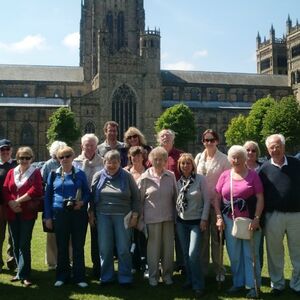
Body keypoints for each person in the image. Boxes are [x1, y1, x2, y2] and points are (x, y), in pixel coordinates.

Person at [214, 145, 264, 299]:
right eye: (233, 157)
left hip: (249, 221)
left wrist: (256, 219)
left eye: (239, 157)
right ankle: (238, 283)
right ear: (229, 159)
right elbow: (216, 198)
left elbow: (260, 199)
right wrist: (218, 217)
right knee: (234, 254)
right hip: (229, 221)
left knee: (250, 254)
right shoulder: (224, 175)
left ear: (244, 158)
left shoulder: (253, 175)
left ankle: (253, 285)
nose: (236, 160)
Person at [90, 150, 140, 286]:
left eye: (115, 162)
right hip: (103, 216)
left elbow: (136, 197)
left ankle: (125, 277)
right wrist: (91, 214)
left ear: (119, 162)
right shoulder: (98, 176)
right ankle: (107, 277)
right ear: (104, 162)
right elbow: (92, 198)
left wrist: (135, 215)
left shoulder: (127, 176)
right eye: (108, 162)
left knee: (123, 248)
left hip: (123, 216)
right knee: (105, 248)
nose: (111, 165)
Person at [259, 134, 300, 296]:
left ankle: (297, 284)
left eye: (277, 146)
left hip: (296, 215)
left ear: (284, 146)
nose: (275, 150)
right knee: (274, 251)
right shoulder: (264, 169)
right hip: (273, 216)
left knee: (298, 251)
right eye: (271, 147)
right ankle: (278, 284)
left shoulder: (297, 164)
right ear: (267, 150)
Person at [44, 146, 90, 288]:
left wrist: (82, 202)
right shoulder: (53, 174)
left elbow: (88, 193)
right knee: (62, 246)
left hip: (78, 214)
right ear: (58, 159)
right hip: (60, 214)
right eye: (61, 157)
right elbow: (48, 197)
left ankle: (79, 277)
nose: (64, 159)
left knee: (78, 246)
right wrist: (48, 217)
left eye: (67, 156)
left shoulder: (80, 174)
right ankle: (62, 276)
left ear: (73, 157)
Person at [3, 146, 43, 287]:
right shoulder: (11, 172)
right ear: (17, 158)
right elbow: (5, 189)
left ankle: (25, 274)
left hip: (27, 213)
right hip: (12, 212)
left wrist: (17, 201)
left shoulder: (35, 172)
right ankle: (19, 272)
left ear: (31, 158)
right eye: (21, 158)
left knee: (24, 244)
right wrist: (11, 202)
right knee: (15, 242)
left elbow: (36, 189)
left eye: (27, 158)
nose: (24, 160)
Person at [138, 146, 177, 286]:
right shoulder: (144, 177)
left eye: (161, 159)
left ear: (166, 161)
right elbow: (139, 201)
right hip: (151, 219)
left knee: (167, 249)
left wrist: (176, 217)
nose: (159, 162)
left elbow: (176, 198)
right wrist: (140, 220)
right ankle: (153, 276)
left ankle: (167, 276)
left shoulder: (171, 176)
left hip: (168, 218)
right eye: (156, 159)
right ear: (150, 160)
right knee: (153, 250)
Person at [195, 129, 230, 281]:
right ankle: (202, 270)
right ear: (202, 141)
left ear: (217, 141)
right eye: (206, 140)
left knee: (217, 239)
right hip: (201, 204)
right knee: (202, 240)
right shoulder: (198, 157)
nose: (208, 143)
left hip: (217, 204)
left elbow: (228, 181)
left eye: (211, 140)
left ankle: (219, 270)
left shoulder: (224, 159)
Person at [176, 153, 210, 298]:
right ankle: (189, 280)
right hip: (181, 222)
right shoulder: (178, 182)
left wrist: (204, 219)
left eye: (188, 163)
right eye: (183, 163)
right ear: (179, 166)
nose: (185, 166)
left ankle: (199, 285)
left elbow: (207, 200)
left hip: (196, 222)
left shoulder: (200, 179)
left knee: (192, 255)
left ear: (193, 165)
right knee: (185, 254)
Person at [73, 133, 103, 278]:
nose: (89, 148)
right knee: (79, 239)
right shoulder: (75, 163)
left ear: (96, 146)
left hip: (97, 205)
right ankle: (79, 269)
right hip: (80, 205)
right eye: (87, 145)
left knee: (97, 239)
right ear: (82, 146)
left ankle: (97, 269)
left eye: (92, 145)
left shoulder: (103, 162)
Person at [156, 129, 184, 272]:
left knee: (179, 234)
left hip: (178, 201)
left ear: (173, 139)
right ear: (158, 139)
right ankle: (163, 264)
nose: (165, 138)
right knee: (161, 236)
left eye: (168, 136)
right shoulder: (154, 156)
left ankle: (182, 263)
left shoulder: (180, 155)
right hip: (159, 202)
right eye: (162, 137)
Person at [41, 140, 67, 271]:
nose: (61, 155)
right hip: (52, 204)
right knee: (51, 235)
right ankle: (52, 262)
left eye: (63, 152)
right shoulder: (48, 165)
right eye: (58, 152)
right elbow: (43, 184)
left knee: (67, 234)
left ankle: (68, 259)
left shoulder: (68, 163)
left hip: (66, 206)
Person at [124, 146, 148, 276]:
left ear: (143, 157)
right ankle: (133, 264)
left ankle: (144, 265)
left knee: (143, 239)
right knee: (130, 239)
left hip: (144, 211)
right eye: (133, 156)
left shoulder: (148, 172)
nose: (136, 158)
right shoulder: (126, 172)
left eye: (138, 155)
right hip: (129, 211)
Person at [0, 139, 17, 272]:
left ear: (11, 150)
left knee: (13, 235)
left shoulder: (17, 165)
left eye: (7, 149)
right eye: (2, 149)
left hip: (13, 205)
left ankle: (12, 260)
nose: (5, 152)